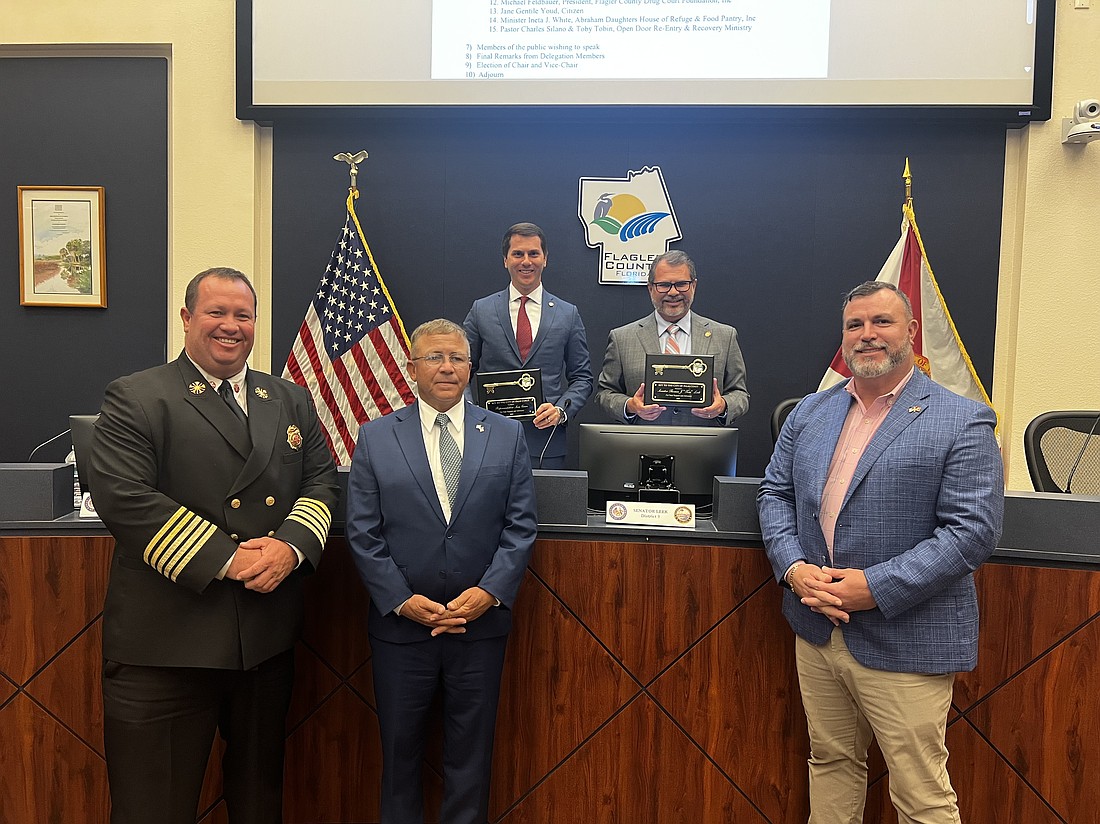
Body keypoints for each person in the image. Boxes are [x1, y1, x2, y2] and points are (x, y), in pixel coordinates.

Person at [89, 267, 340, 824]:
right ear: (186, 318)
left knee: (259, 806)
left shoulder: (290, 400)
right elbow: (126, 499)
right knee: (154, 809)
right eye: (216, 313)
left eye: (243, 315)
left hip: (264, 643)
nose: (231, 326)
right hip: (167, 648)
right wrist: (229, 559)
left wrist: (290, 549)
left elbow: (322, 481)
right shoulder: (138, 396)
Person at [757, 281, 1004, 824]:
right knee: (832, 761)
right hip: (817, 627)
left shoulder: (962, 419)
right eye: (854, 325)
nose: (867, 335)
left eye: (882, 322)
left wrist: (874, 587)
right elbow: (774, 493)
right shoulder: (810, 413)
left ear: (912, 334)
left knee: (920, 795)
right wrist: (794, 568)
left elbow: (971, 533)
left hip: (906, 634)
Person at [346, 318, 537, 824]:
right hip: (401, 630)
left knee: (470, 763)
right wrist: (402, 600)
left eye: (456, 357)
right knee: (399, 761)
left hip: (479, 628)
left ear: (471, 368)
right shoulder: (376, 436)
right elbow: (363, 533)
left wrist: (490, 593)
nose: (447, 366)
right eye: (434, 357)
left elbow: (520, 528)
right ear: (412, 368)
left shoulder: (506, 434)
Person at [463, 222, 593, 468]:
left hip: (545, 442)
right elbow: (462, 368)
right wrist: (471, 411)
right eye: (518, 254)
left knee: (545, 507)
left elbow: (583, 378)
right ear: (505, 260)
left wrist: (561, 411)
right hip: (487, 436)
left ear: (545, 259)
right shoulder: (482, 310)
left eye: (533, 253)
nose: (526, 261)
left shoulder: (568, 314)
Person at [594, 249, 749, 426]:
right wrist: (630, 405)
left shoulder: (724, 335)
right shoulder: (622, 338)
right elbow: (605, 394)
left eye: (682, 284)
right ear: (650, 288)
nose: (673, 292)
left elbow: (740, 394)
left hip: (705, 446)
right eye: (664, 285)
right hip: (643, 445)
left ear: (694, 286)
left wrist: (724, 406)